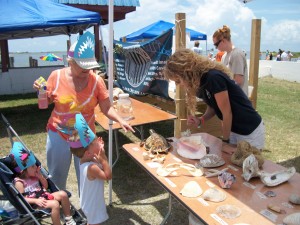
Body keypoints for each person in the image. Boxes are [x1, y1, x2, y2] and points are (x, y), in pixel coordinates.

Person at [33, 31, 134, 191]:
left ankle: (87, 211)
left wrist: (120, 120)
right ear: (70, 62)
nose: (87, 71)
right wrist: (42, 93)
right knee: (57, 174)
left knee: (87, 174)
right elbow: (44, 104)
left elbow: (106, 107)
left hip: (85, 136)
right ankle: (61, 205)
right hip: (58, 133)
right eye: (82, 67)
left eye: (89, 66)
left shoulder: (97, 81)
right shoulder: (56, 76)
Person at [163, 49, 265, 150]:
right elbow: (213, 106)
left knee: (250, 164)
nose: (178, 84)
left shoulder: (213, 78)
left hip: (250, 129)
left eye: (177, 80)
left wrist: (225, 142)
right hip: (234, 130)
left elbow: (227, 112)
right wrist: (201, 120)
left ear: (186, 72)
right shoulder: (199, 84)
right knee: (234, 163)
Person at [11, 142, 76, 225]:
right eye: (32, 166)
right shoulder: (19, 182)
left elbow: (45, 186)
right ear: (23, 170)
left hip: (44, 196)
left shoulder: (35, 176)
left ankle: (68, 218)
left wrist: (40, 177)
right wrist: (35, 201)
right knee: (55, 204)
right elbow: (22, 198)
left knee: (63, 194)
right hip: (35, 204)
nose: (36, 167)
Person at [70, 113, 111, 225]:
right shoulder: (91, 167)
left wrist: (100, 155)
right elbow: (108, 176)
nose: (98, 141)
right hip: (93, 204)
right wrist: (103, 159)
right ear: (88, 152)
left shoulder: (85, 160)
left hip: (89, 202)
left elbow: (101, 167)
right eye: (95, 142)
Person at [213, 25, 248, 96]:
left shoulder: (236, 54)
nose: (216, 47)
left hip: (238, 100)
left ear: (223, 41)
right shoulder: (224, 56)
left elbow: (238, 81)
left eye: (216, 44)